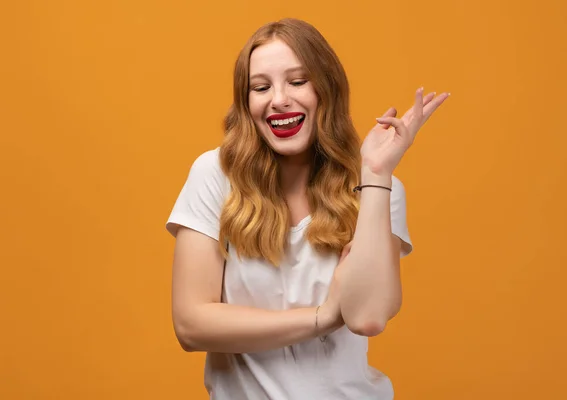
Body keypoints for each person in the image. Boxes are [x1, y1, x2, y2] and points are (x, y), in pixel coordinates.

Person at [165, 17, 449, 400]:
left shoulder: (378, 190)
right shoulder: (216, 176)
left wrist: (377, 173)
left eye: (298, 81)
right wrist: (324, 316)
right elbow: (191, 325)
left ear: (326, 89)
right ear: (246, 103)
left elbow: (367, 316)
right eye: (260, 87)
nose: (279, 99)